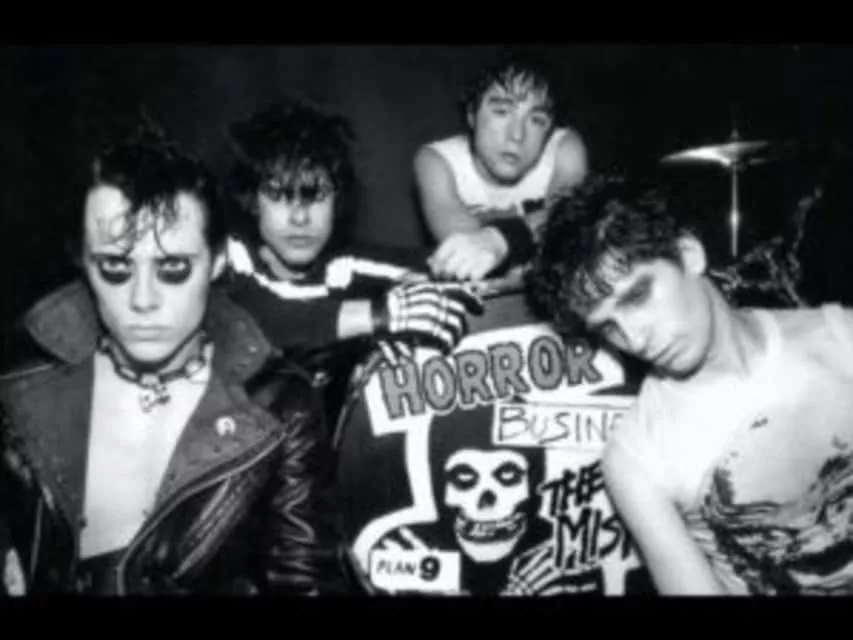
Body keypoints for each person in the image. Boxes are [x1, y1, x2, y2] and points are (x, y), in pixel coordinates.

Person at [0, 120, 345, 595]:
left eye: (174, 268)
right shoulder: (18, 389)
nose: (143, 299)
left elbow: (305, 583)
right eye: (115, 267)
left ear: (218, 262)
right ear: (83, 263)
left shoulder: (278, 405)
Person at [527, 174, 853, 595]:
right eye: (607, 326)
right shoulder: (637, 456)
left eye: (637, 296)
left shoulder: (840, 336)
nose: (635, 338)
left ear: (688, 254)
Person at [222, 99, 483, 437]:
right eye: (278, 195)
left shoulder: (345, 266)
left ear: (338, 200)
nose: (300, 217)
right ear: (252, 200)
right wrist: (377, 317)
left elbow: (452, 267)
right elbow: (262, 321)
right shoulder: (225, 260)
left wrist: (494, 242)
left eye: (317, 195)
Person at [414, 47, 588, 283]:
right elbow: (467, 250)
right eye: (502, 112)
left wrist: (501, 239)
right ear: (472, 115)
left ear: (549, 131)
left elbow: (569, 218)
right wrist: (510, 241)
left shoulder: (565, 148)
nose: (516, 135)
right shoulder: (437, 161)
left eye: (536, 120)